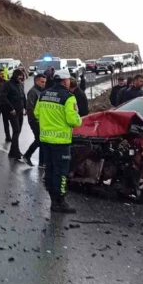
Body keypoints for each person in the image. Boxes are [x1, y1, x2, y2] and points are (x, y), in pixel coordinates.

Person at [35, 69, 82, 213]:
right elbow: (72, 120)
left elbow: (37, 113)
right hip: (61, 141)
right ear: (66, 81)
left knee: (49, 169)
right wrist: (79, 119)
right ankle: (59, 201)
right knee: (61, 172)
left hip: (45, 139)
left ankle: (52, 199)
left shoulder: (43, 94)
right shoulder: (69, 98)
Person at [2, 69, 27, 160]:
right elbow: (3, 97)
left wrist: (26, 107)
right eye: (19, 76)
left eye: (22, 76)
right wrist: (11, 108)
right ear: (15, 75)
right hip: (13, 112)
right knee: (16, 130)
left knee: (18, 130)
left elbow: (23, 96)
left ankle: (12, 152)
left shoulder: (20, 84)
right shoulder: (8, 84)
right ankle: (16, 151)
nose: (21, 77)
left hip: (20, 111)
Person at [22, 73, 47, 166]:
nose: (43, 84)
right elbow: (29, 107)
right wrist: (34, 119)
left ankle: (42, 162)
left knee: (42, 140)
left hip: (41, 120)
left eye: (44, 82)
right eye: (42, 82)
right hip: (34, 120)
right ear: (36, 81)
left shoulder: (41, 91)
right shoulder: (33, 92)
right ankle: (27, 155)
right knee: (39, 140)